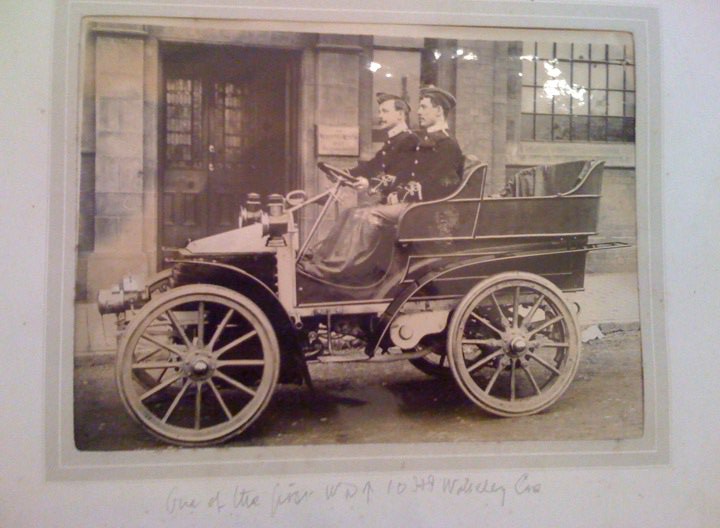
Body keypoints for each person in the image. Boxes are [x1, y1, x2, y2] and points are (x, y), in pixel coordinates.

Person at [299, 87, 464, 285]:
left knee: (368, 215)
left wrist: (401, 194)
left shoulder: (447, 144)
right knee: (352, 212)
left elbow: (440, 184)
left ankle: (336, 269)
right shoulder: (427, 140)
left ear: (438, 111)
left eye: (424, 107)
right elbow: (407, 173)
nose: (418, 112)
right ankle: (322, 260)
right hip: (415, 205)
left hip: (426, 209)